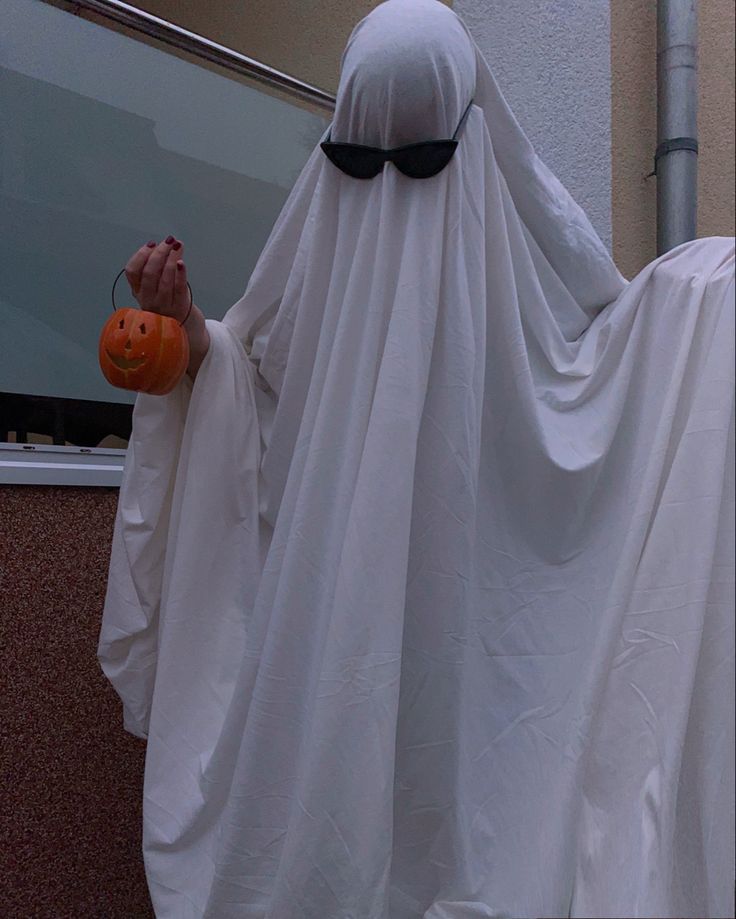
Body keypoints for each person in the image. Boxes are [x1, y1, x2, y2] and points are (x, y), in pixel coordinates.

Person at [98, 1, 735, 916]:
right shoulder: (323, 258)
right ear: (337, 145)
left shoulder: (520, 288)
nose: (390, 190)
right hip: (332, 638)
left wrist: (703, 298)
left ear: (475, 144)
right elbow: (256, 377)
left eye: (424, 159)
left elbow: (611, 366)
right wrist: (191, 332)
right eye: (362, 159)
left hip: (478, 667)